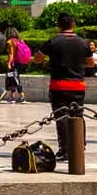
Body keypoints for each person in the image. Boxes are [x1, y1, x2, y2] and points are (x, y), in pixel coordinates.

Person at [33, 12, 94, 160]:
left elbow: (37, 59)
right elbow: (91, 63)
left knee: (61, 117)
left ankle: (65, 150)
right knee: (78, 116)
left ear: (58, 25)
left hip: (59, 86)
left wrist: (48, 61)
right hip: (78, 86)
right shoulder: (82, 42)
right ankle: (80, 146)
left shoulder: (53, 41)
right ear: (73, 24)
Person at [3, 27, 28, 104]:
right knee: (13, 78)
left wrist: (9, 63)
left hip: (14, 63)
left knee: (15, 79)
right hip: (21, 62)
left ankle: (22, 96)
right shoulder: (20, 41)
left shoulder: (10, 42)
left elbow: (11, 54)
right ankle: (12, 97)